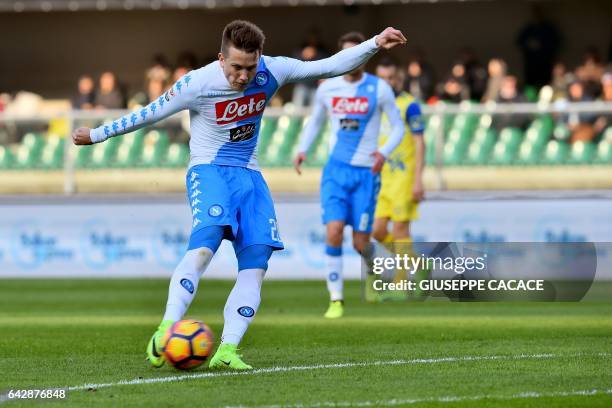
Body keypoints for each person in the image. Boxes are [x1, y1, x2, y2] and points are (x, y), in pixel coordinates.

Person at [72, 20, 407, 369]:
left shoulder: (272, 70)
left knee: (256, 264)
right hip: (209, 171)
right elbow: (149, 113)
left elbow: (330, 66)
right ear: (221, 58)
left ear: (259, 58)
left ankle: (228, 350)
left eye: (250, 68)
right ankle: (167, 327)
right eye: (235, 67)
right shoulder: (198, 83)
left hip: (250, 176)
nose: (243, 76)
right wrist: (97, 135)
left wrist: (374, 43)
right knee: (204, 248)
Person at [293, 33, 405, 319]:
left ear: (366, 56)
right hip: (335, 172)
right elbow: (315, 121)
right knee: (332, 231)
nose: (350, 61)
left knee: (359, 243)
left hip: (366, 174)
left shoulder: (379, 88)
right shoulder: (327, 89)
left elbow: (398, 128)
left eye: (356, 54)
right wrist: (302, 148)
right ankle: (336, 299)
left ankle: (377, 270)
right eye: (345, 55)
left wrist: (383, 153)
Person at [371, 58, 425, 299]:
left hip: (404, 176)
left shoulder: (409, 105)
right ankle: (419, 264)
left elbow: (420, 142)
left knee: (401, 229)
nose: (386, 82)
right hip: (381, 177)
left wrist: (418, 180)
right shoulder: (375, 106)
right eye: (381, 78)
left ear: (398, 78)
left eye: (390, 78)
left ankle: (402, 283)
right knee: (377, 231)